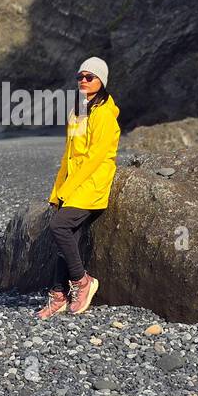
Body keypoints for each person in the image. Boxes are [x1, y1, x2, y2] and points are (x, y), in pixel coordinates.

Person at [38, 57, 120, 319]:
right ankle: (58, 294)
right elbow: (68, 155)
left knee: (59, 226)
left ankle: (83, 282)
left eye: (90, 77)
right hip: (74, 184)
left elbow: (95, 157)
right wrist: (56, 190)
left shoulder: (105, 113)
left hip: (92, 184)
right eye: (80, 76)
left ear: (101, 81)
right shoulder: (77, 111)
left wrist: (68, 189)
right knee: (68, 237)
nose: (83, 81)